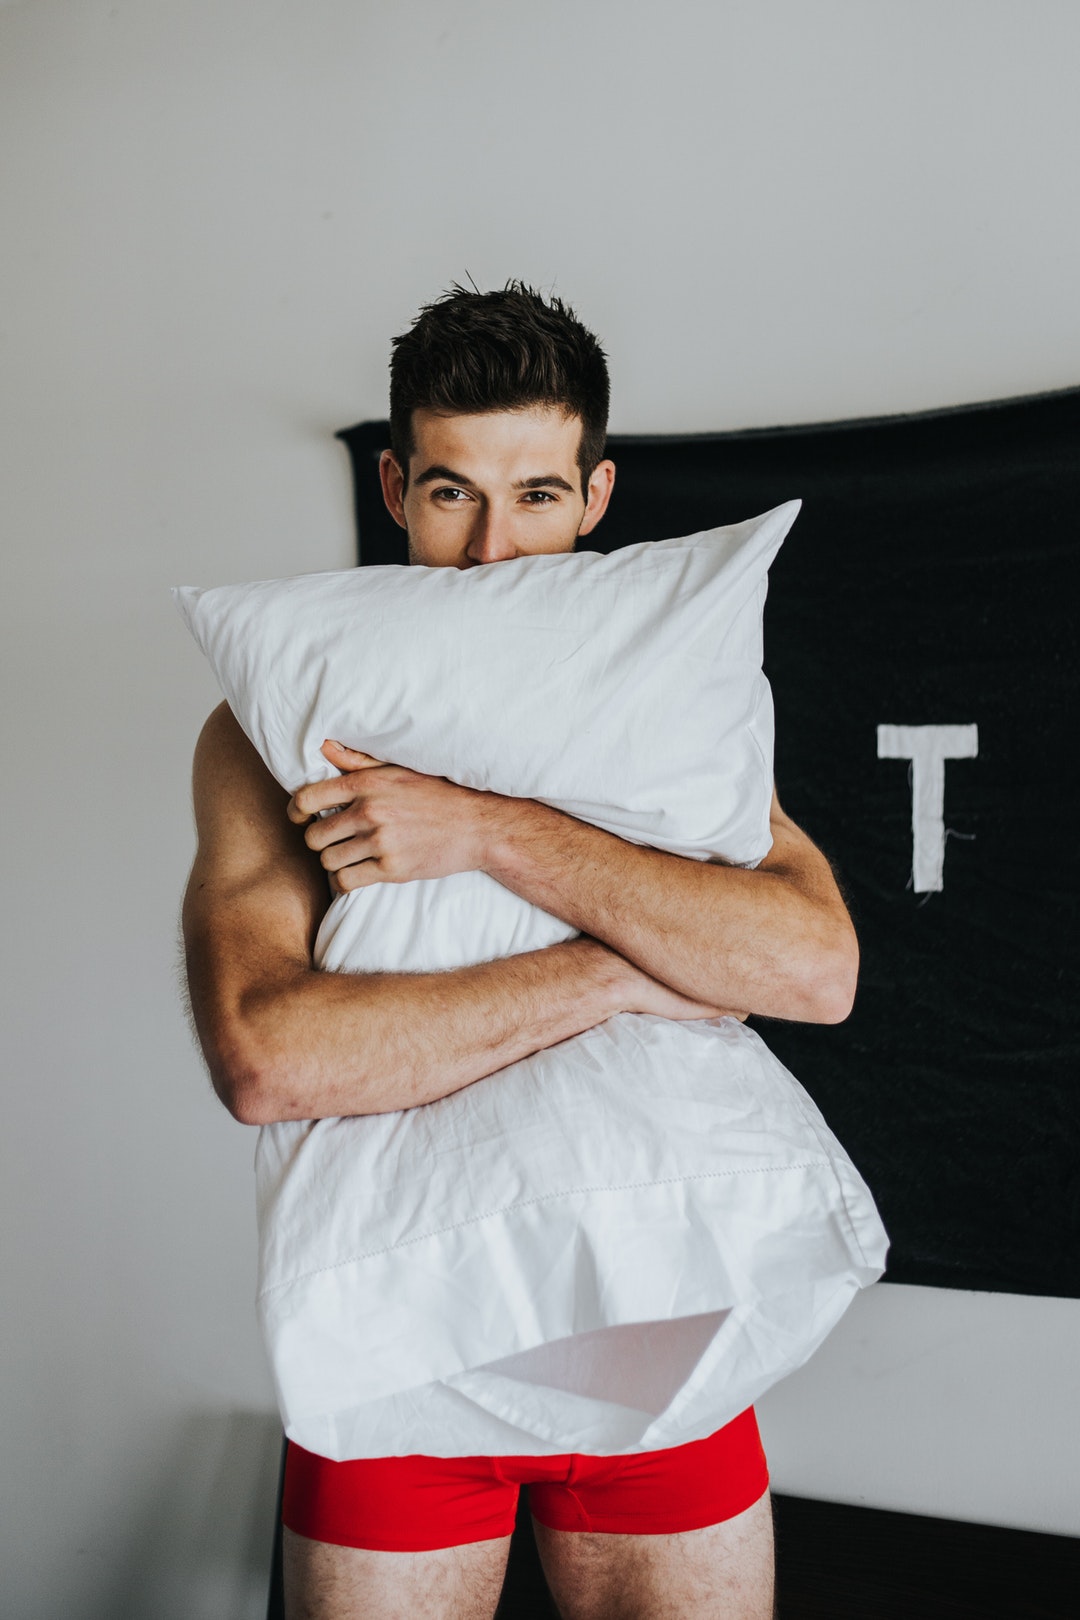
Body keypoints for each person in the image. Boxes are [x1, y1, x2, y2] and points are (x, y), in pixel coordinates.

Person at [183, 283, 858, 1620]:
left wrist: (486, 831)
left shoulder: (663, 697)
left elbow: (812, 970)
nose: (495, 551)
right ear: (394, 486)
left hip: (656, 1321)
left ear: (597, 496)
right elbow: (265, 1060)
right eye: (452, 494)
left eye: (537, 496)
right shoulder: (279, 719)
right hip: (393, 1349)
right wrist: (627, 970)